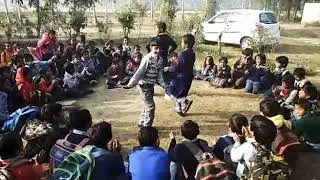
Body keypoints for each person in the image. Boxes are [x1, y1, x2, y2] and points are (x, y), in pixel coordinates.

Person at [124, 38, 167, 127]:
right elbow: (139, 72)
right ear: (151, 48)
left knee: (146, 105)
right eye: (156, 48)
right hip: (143, 85)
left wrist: (164, 85)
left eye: (159, 48)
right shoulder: (147, 58)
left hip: (151, 85)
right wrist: (130, 84)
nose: (158, 51)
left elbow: (159, 75)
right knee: (150, 106)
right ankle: (147, 127)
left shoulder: (160, 60)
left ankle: (141, 123)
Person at [164, 34, 196, 116]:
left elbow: (179, 67)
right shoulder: (192, 53)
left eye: (182, 42)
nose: (181, 43)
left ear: (186, 44)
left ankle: (185, 103)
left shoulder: (183, 54)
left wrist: (169, 68)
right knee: (181, 93)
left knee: (172, 90)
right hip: (188, 77)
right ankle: (179, 108)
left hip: (181, 78)